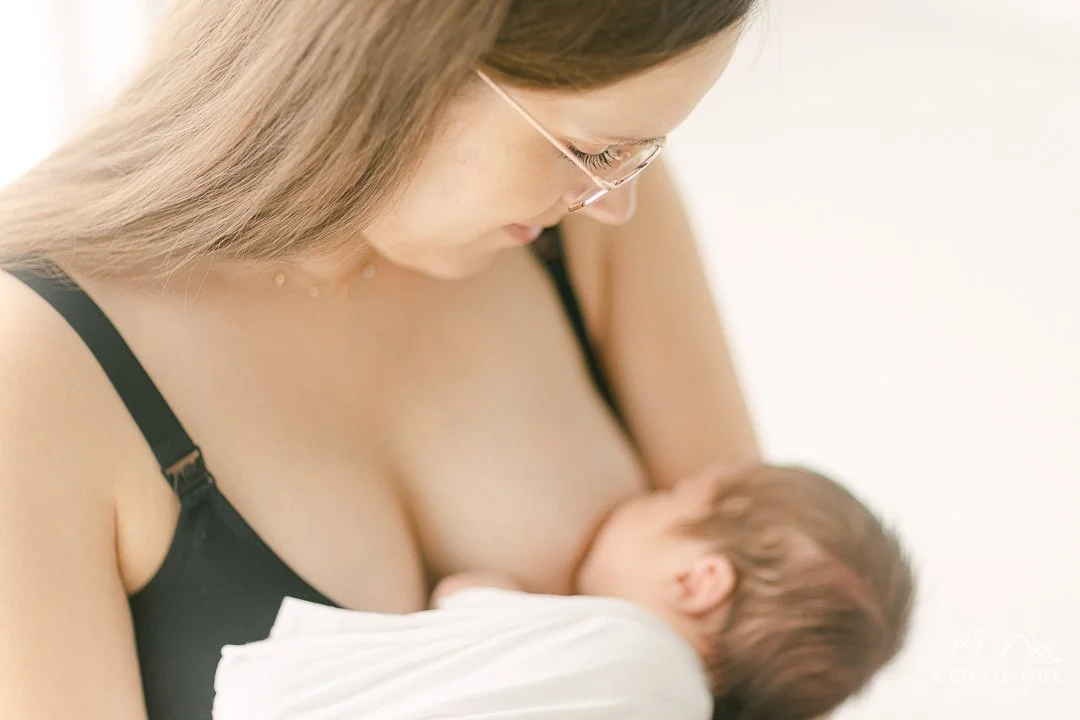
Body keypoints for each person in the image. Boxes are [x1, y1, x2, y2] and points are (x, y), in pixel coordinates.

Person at [0, 1, 770, 718]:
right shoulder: (35, 359)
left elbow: (776, 639)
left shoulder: (584, 223)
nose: (614, 194)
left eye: (640, 153)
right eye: (593, 148)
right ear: (401, 61)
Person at [211, 464, 915, 720]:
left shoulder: (631, 646)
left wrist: (482, 587)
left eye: (670, 498)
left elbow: (471, 611)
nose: (644, 494)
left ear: (697, 582)